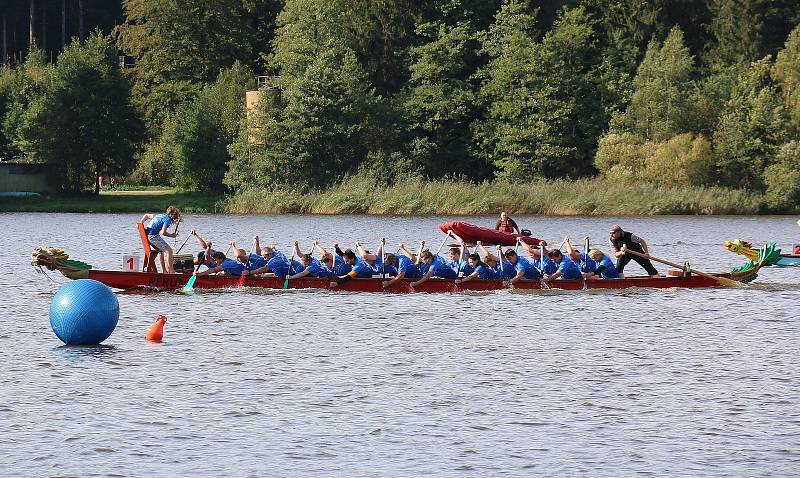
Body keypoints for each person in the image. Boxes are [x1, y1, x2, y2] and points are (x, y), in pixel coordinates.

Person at [139, 206, 181, 273]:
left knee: (160, 251)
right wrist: (172, 235)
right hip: (153, 237)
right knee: (169, 251)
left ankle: (164, 271)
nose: (175, 218)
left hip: (148, 236)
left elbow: (146, 215)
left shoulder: (159, 215)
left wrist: (140, 223)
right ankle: (171, 271)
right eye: (175, 216)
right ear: (171, 215)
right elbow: (163, 232)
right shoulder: (168, 220)